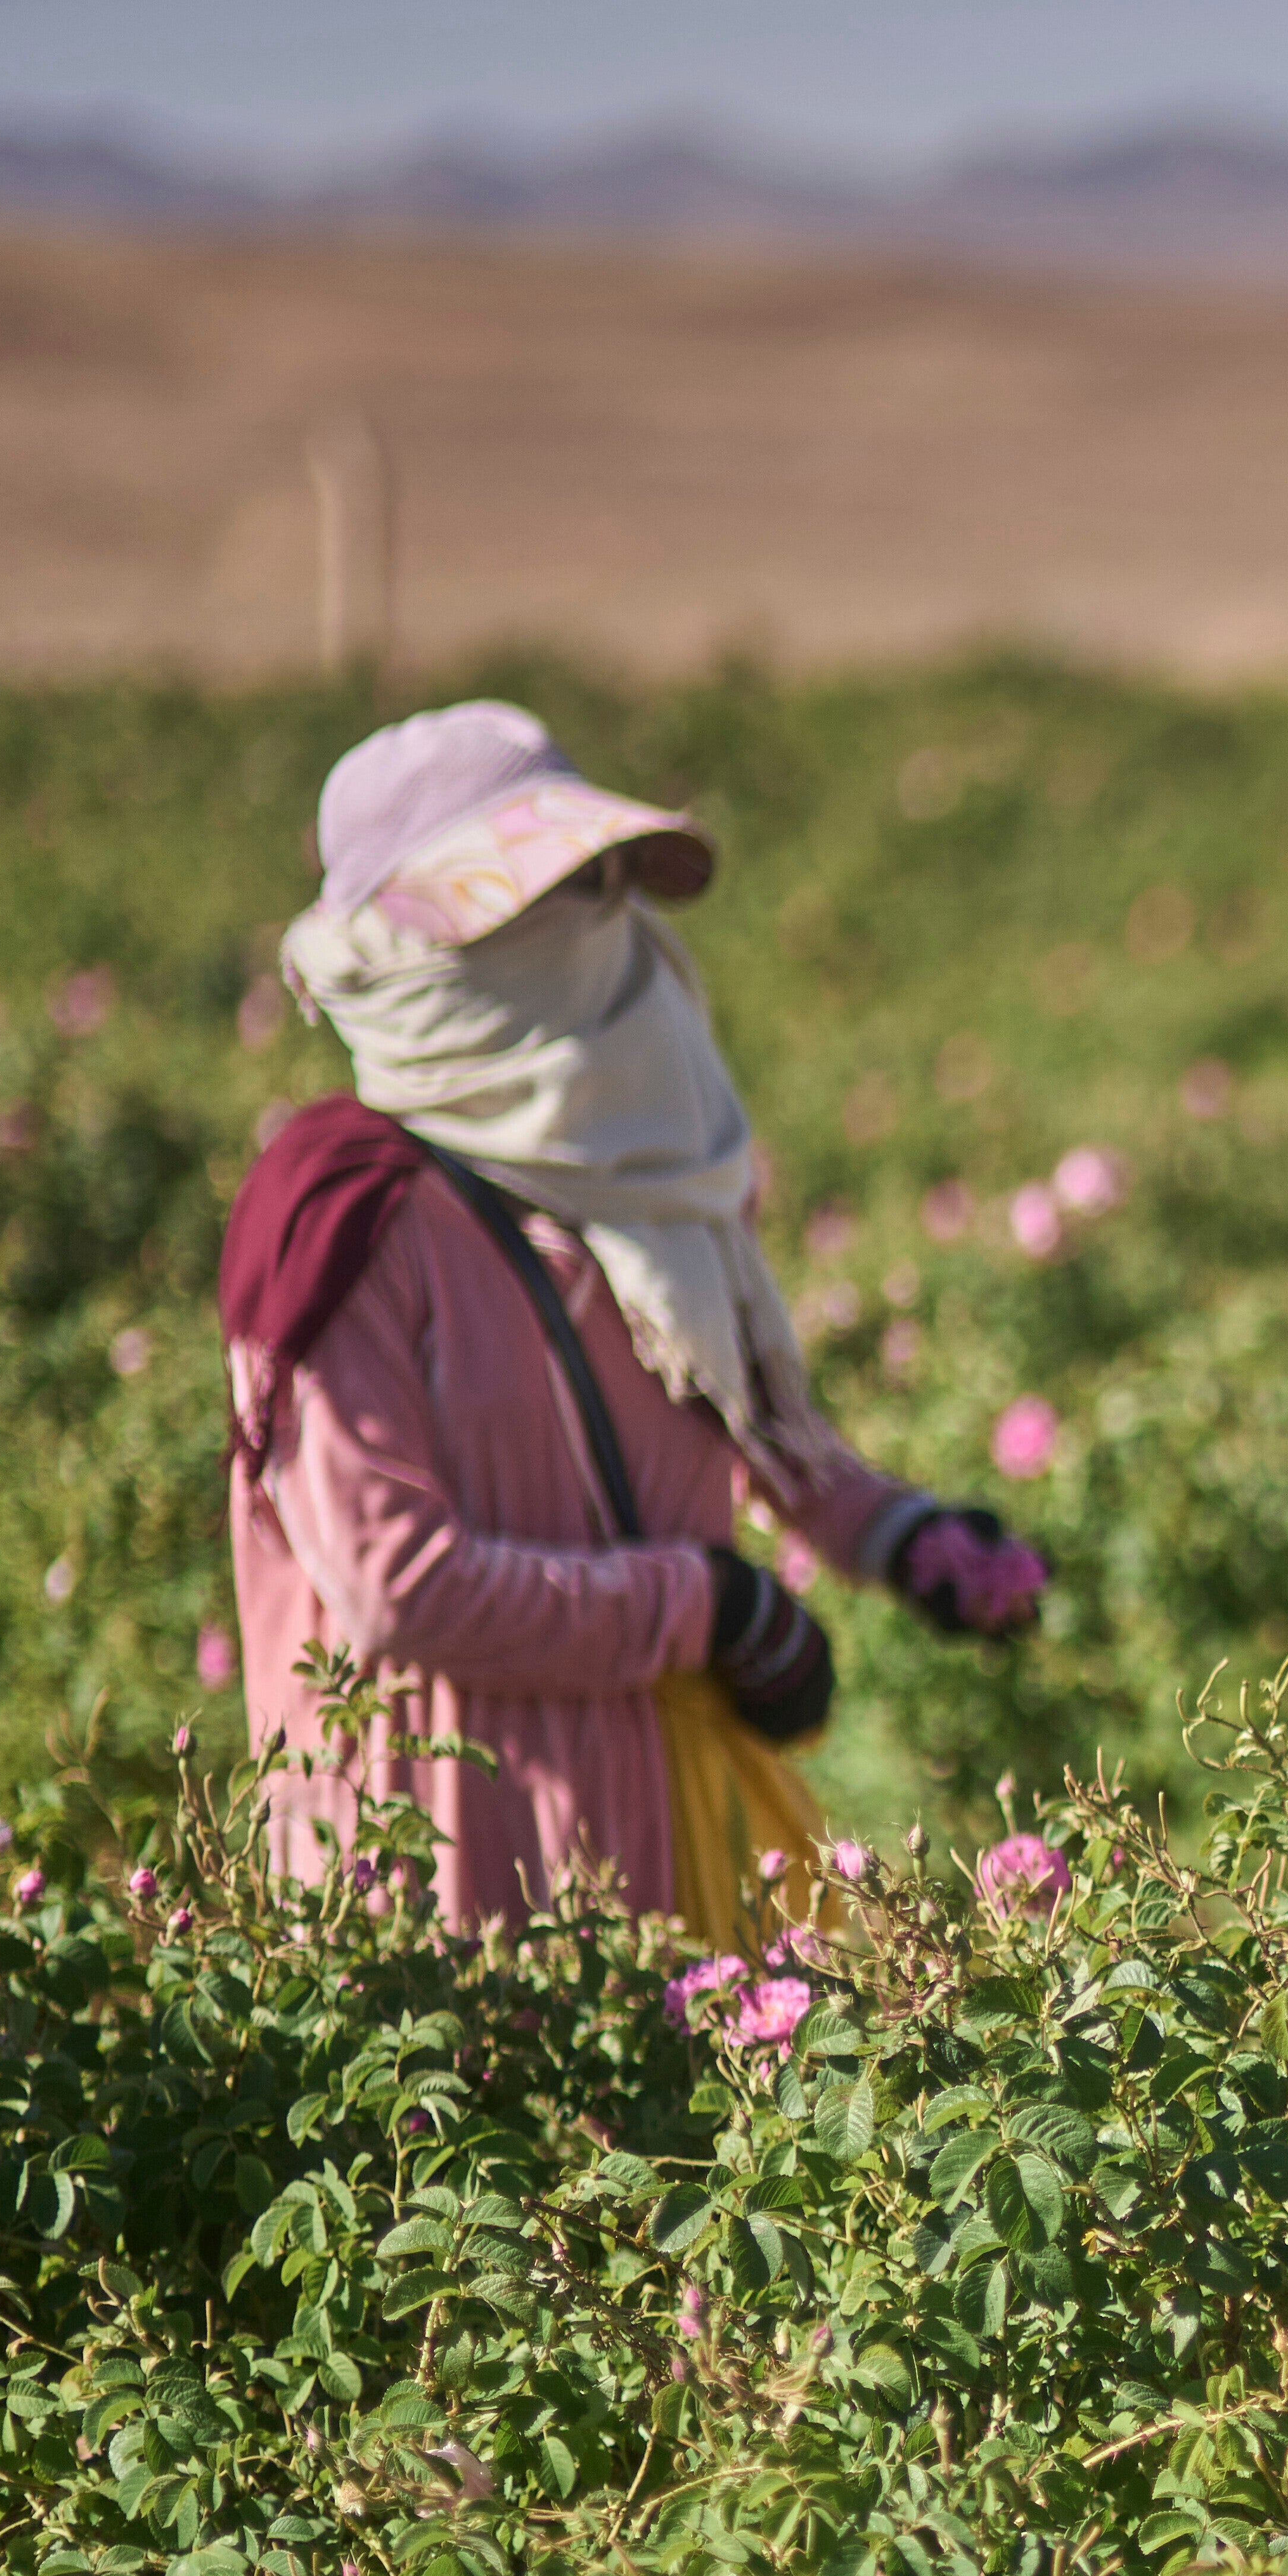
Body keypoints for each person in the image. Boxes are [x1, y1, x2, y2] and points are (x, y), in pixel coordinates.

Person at [220, 701, 1046, 1939]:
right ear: (412, 946)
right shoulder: (346, 1220)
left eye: (603, 880)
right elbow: (400, 1589)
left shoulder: (654, 1176)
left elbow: (755, 1433)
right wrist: (709, 1609)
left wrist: (906, 1537)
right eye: (544, 895)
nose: (599, 924)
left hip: (653, 1830)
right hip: (433, 1864)